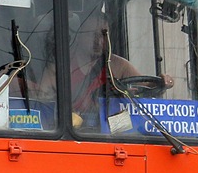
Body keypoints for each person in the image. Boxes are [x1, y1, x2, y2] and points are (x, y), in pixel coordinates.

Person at [38, 12, 173, 121]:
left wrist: (164, 82)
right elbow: (41, 101)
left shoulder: (118, 65)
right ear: (79, 35)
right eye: (93, 35)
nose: (99, 41)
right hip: (72, 132)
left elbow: (146, 87)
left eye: (103, 35)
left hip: (108, 133)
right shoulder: (59, 67)